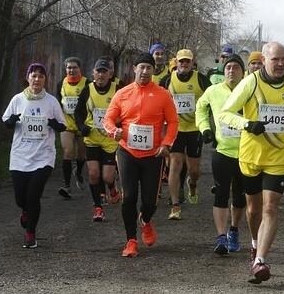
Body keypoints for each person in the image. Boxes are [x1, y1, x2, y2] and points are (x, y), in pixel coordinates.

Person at [219, 41, 284, 284]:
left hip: (279, 157)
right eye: (275, 60)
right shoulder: (251, 82)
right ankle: (254, 243)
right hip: (251, 156)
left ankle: (260, 259)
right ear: (264, 61)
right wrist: (247, 124)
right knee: (253, 210)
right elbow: (225, 113)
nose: (281, 64)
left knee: (270, 207)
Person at [103, 52, 179, 257]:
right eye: (142, 67)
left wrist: (166, 144)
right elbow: (108, 119)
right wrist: (113, 131)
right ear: (134, 68)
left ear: (154, 71)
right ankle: (131, 240)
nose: (145, 71)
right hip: (127, 151)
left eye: (149, 68)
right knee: (128, 197)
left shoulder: (163, 94)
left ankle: (145, 220)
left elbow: (173, 122)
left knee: (150, 201)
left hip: (153, 154)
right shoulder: (122, 93)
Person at [3, 63, 66, 248]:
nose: (37, 79)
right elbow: (6, 121)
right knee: (20, 198)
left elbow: (63, 126)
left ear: (45, 79)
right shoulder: (17, 99)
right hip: (20, 155)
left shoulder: (51, 102)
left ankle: (30, 233)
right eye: (34, 75)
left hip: (43, 156)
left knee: (33, 196)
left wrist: (53, 124)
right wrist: (12, 120)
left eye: (40, 76)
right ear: (27, 77)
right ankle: (25, 210)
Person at [195, 54, 247, 255]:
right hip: (221, 149)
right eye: (228, 68)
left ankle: (234, 229)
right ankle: (221, 237)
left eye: (235, 67)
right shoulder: (213, 91)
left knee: (239, 196)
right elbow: (200, 109)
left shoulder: (251, 90)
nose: (231, 71)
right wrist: (205, 129)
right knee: (221, 193)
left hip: (246, 152)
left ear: (243, 72)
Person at [160, 49, 211, 219]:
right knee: (175, 164)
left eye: (187, 61)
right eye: (181, 61)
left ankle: (192, 183)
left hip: (194, 128)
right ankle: (175, 205)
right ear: (176, 62)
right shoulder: (167, 80)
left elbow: (212, 99)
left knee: (194, 170)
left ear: (192, 63)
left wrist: (208, 121)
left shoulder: (201, 79)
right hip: (175, 129)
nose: (184, 64)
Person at [74, 58, 122, 222]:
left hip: (110, 139)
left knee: (108, 177)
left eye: (104, 71)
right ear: (93, 73)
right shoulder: (87, 90)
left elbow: (126, 110)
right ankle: (98, 208)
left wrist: (120, 126)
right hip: (92, 138)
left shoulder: (118, 89)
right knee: (94, 174)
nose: (101, 75)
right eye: (98, 71)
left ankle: (112, 187)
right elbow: (78, 113)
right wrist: (82, 128)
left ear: (110, 74)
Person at [56, 57, 89, 199]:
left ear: (80, 68)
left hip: (82, 124)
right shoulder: (61, 83)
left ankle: (79, 171)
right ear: (65, 69)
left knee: (82, 155)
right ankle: (66, 186)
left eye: (74, 67)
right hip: (67, 123)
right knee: (68, 152)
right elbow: (58, 101)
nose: (72, 70)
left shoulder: (87, 83)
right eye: (69, 67)